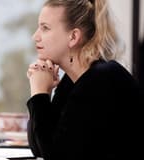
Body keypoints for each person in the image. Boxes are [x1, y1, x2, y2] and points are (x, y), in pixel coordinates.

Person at [26, 0, 141, 159]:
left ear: (73, 37)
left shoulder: (101, 80)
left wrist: (39, 94)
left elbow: (56, 155)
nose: (35, 36)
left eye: (45, 28)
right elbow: (40, 147)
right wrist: (43, 92)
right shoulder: (72, 81)